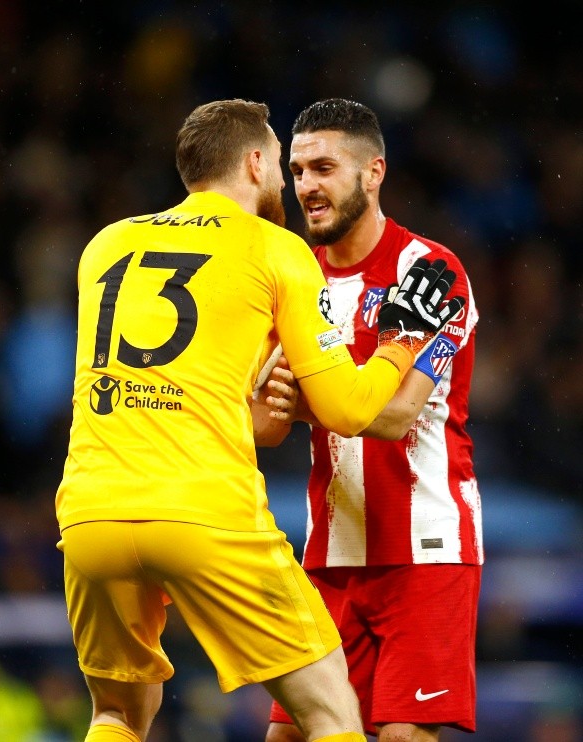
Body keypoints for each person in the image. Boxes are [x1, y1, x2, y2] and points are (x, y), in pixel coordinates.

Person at [54, 98, 462, 742]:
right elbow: (353, 409)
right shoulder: (276, 251)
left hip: (89, 514)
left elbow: (226, 403)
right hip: (203, 511)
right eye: (282, 166)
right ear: (253, 162)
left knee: (115, 717)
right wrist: (400, 343)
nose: (290, 186)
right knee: (330, 714)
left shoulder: (106, 244)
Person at [266, 99, 482, 742]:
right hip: (328, 556)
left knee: (400, 735)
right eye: (298, 170)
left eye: (324, 168)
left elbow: (394, 416)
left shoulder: (433, 274)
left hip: (425, 552)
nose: (307, 186)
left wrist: (301, 401)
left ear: (373, 172)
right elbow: (262, 424)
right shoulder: (290, 277)